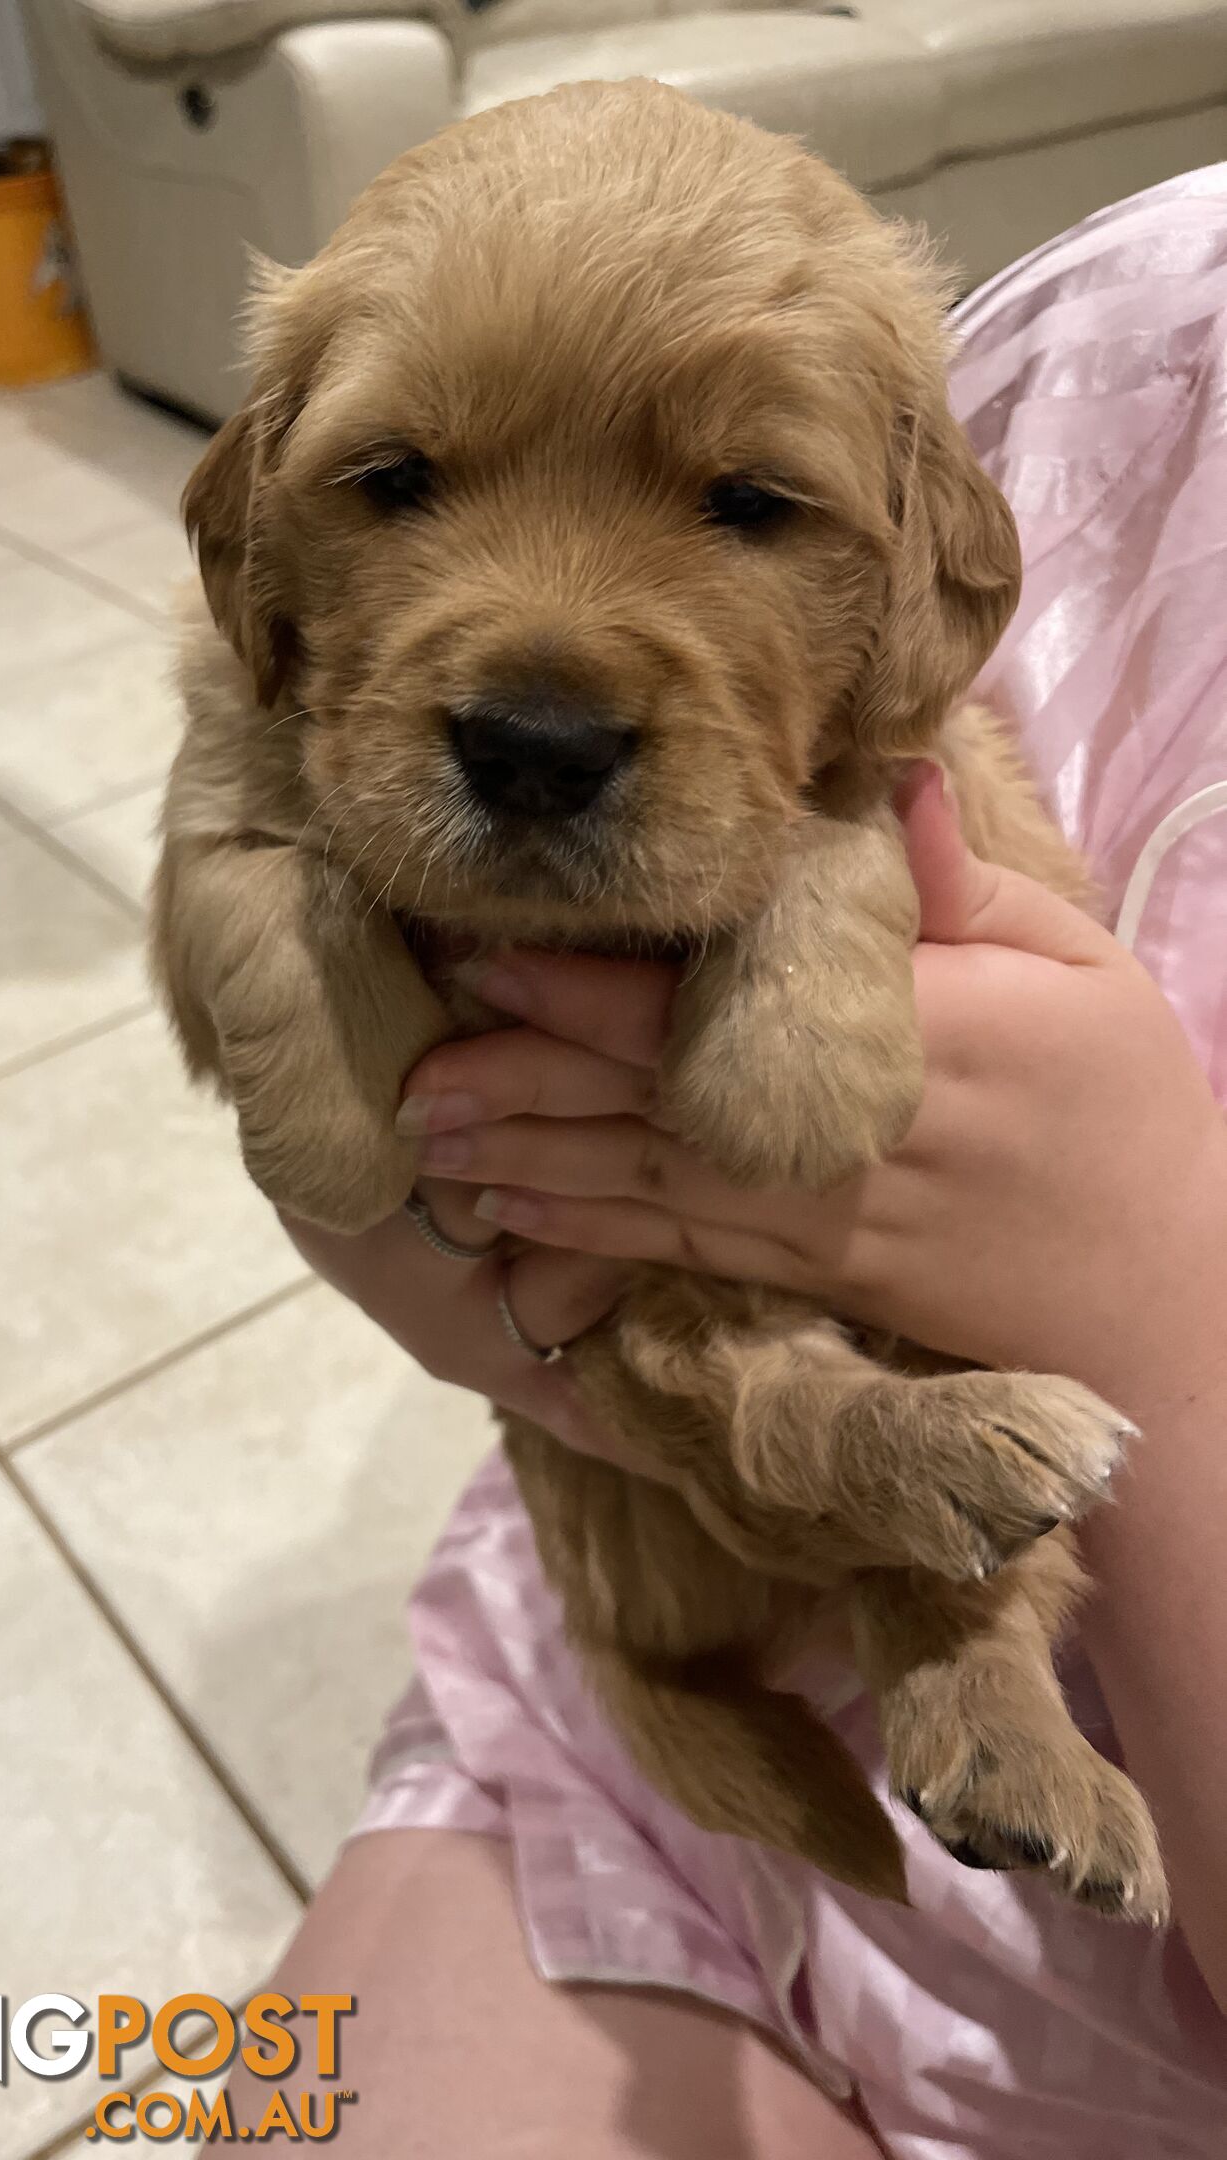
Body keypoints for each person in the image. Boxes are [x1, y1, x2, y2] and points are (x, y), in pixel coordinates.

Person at [225, 171, 1227, 2157]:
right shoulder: (1131, 329)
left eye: (745, 508)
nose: (546, 666)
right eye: (402, 477)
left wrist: (1157, 1310)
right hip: (597, 1718)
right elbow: (881, 744)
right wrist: (369, 1138)